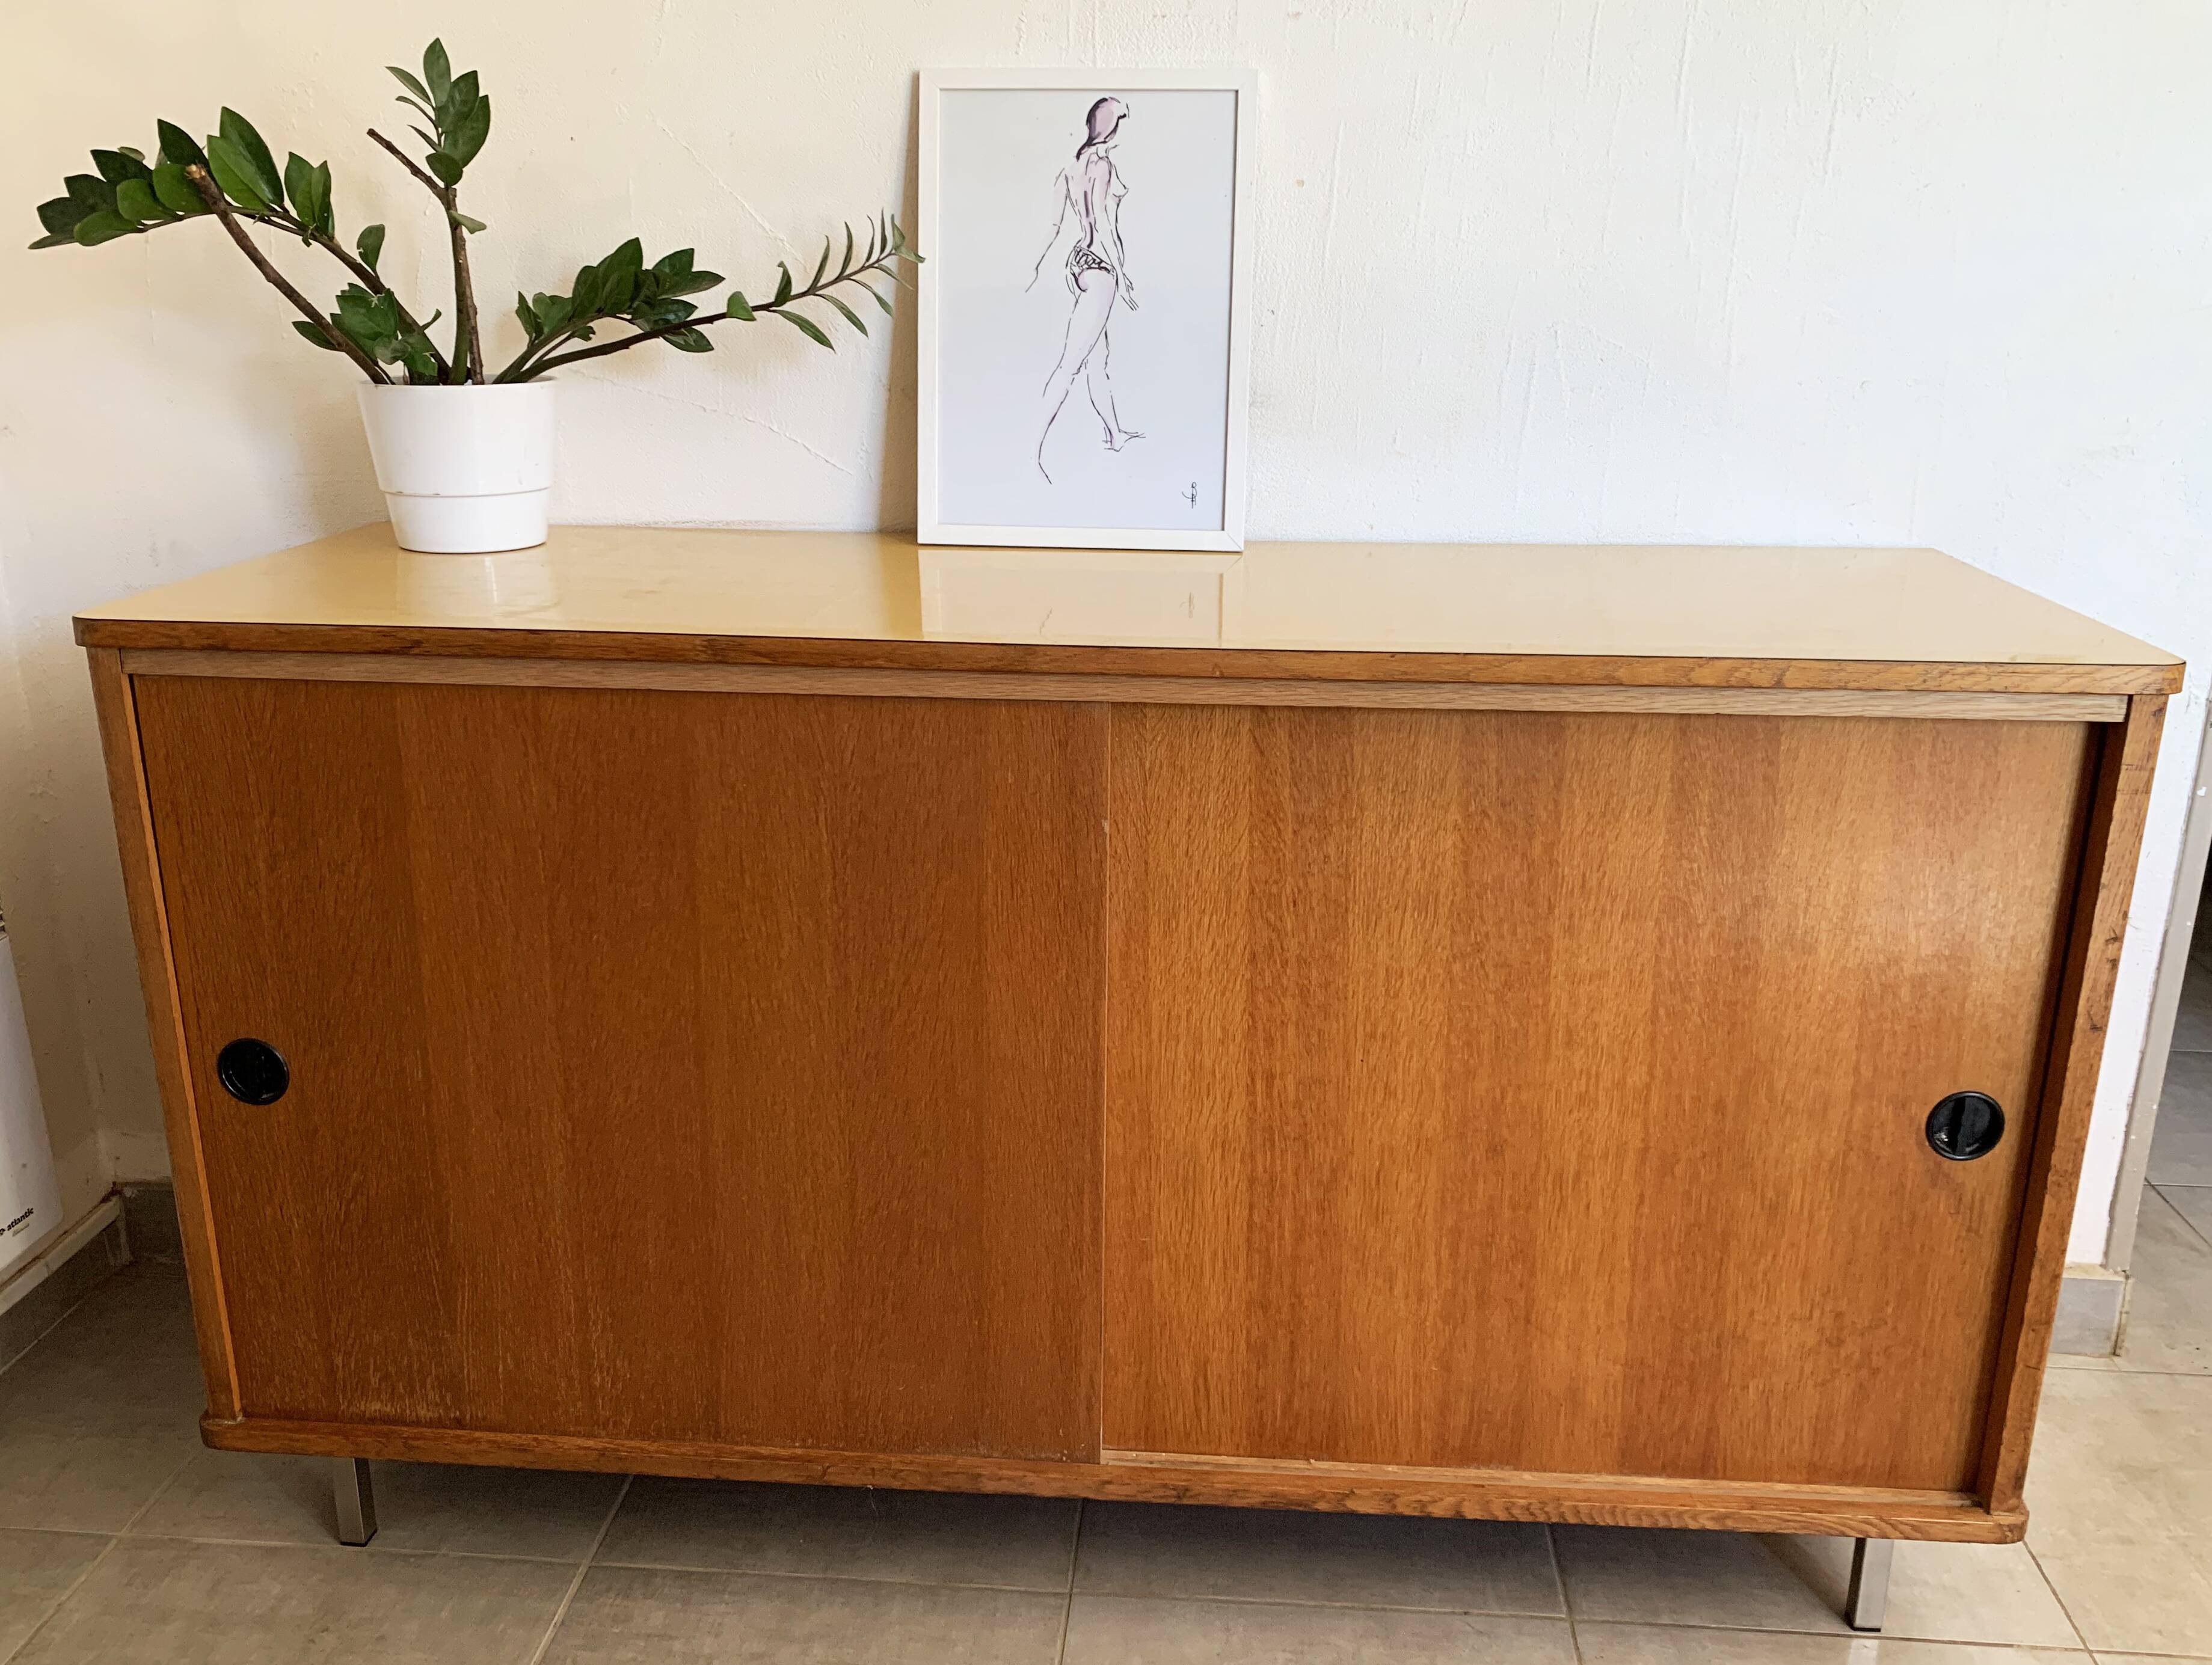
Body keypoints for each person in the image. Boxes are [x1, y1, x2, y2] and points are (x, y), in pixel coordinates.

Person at [1028, 96, 1142, 480]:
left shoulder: (1072, 166)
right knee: (1070, 365)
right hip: (1101, 268)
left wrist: (1039, 265)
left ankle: (1115, 434)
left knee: (1097, 360)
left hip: (1079, 263)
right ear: (1113, 128)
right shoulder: (1103, 165)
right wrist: (1122, 276)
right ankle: (1031, 451)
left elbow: (1055, 224)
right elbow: (1105, 225)